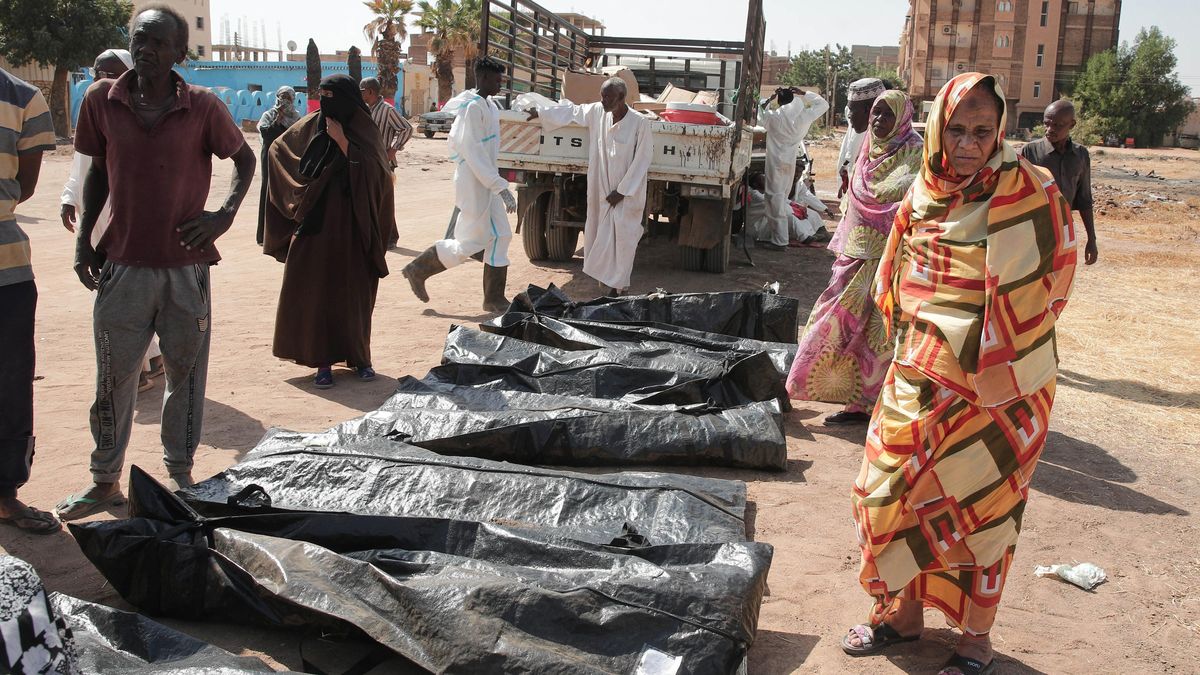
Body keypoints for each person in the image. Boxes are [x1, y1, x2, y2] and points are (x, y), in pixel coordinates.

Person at [840, 73, 1077, 675]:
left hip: (1004, 392)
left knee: (983, 517)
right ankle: (902, 616)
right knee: (884, 494)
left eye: (982, 130)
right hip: (916, 377)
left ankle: (975, 639)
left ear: (1000, 132)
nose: (969, 142)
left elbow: (1055, 282)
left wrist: (994, 344)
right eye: (957, 128)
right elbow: (895, 279)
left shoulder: (1032, 191)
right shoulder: (922, 193)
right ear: (939, 128)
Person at [58, 5, 256, 519]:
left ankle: (181, 473)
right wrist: (85, 242)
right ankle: (105, 480)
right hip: (121, 265)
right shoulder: (102, 99)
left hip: (185, 268)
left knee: (185, 375)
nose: (144, 49)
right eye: (138, 39)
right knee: (113, 375)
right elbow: (98, 173)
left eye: (156, 42)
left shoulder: (205, 106)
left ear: (179, 54)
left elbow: (244, 159)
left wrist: (224, 215)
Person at [787, 90, 923, 425]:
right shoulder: (868, 149)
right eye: (875, 113)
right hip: (853, 255)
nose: (878, 121)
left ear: (903, 117)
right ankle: (808, 385)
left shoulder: (915, 151)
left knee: (879, 334)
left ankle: (866, 404)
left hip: (892, 258)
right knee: (832, 319)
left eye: (886, 115)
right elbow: (856, 200)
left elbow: (908, 203)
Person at [263, 74, 393, 389]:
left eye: (333, 96)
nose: (327, 104)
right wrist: (299, 195)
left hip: (355, 228)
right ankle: (323, 363)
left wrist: (344, 144)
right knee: (317, 294)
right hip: (317, 228)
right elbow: (277, 151)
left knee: (354, 296)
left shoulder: (365, 130)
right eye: (323, 96)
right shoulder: (311, 125)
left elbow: (379, 177)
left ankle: (360, 358)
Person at [61, 49, 164, 395]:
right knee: (113, 293)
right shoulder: (93, 111)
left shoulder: (143, 116)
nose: (103, 78)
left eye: (112, 72)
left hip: (130, 222)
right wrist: (68, 198)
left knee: (130, 295)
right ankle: (145, 362)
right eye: (98, 72)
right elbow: (82, 167)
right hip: (96, 220)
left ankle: (138, 369)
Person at [402, 57, 517, 312]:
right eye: (497, 80)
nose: (500, 85)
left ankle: (494, 298)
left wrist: (496, 185)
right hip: (474, 181)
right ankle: (418, 269)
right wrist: (500, 186)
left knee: (501, 236)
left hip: (486, 180)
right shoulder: (472, 109)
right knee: (471, 241)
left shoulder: (488, 105)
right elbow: (473, 153)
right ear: (484, 78)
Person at [0, 67, 61, 535]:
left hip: (7, 271)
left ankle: (5, 494)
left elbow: (25, 186)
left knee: (11, 381)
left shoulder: (23, 98)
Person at [527, 77, 654, 295]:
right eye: (602, 96)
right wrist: (542, 113)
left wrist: (622, 191)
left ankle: (618, 286)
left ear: (621, 98)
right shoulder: (598, 113)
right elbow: (573, 112)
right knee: (599, 235)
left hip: (627, 195)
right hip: (602, 190)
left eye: (608, 97)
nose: (603, 100)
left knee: (624, 239)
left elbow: (643, 159)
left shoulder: (639, 124)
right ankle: (607, 281)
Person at [1020, 99, 1099, 265]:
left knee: (1058, 283)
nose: (1049, 130)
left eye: (1057, 125)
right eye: (1047, 123)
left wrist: (1091, 239)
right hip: (1032, 233)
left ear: (1072, 125)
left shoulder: (1081, 155)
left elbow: (1084, 200)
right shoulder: (1030, 152)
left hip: (1064, 233)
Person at [758, 87, 829, 250]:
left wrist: (769, 99)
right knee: (781, 199)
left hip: (775, 163)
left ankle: (780, 241)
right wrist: (804, 93)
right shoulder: (803, 116)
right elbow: (823, 104)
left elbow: (759, 111)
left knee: (774, 200)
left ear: (780, 101)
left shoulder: (774, 118)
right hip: (790, 164)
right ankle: (779, 238)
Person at [360, 76, 412, 249]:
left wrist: (393, 149)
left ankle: (391, 236)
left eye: (362, 91)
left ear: (370, 91)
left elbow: (406, 128)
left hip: (383, 162)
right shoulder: (366, 110)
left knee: (384, 200)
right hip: (369, 161)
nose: (360, 94)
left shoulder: (387, 110)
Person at [255, 85, 300, 245]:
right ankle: (264, 235)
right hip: (270, 158)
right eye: (283, 96)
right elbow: (266, 134)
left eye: (289, 97)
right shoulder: (269, 115)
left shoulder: (296, 117)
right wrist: (278, 120)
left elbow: (298, 137)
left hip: (288, 159)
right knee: (268, 190)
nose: (285, 100)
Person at [744, 172, 828, 246]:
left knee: (806, 213)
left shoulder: (767, 191)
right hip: (758, 228)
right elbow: (775, 203)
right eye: (763, 179)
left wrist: (796, 206)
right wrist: (794, 209)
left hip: (766, 221)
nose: (767, 181)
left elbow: (783, 199)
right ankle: (805, 238)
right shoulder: (755, 195)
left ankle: (812, 233)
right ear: (755, 184)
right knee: (789, 217)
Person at [838, 78, 886, 199]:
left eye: (852, 110)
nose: (848, 115)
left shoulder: (902, 146)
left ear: (867, 109)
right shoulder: (866, 134)